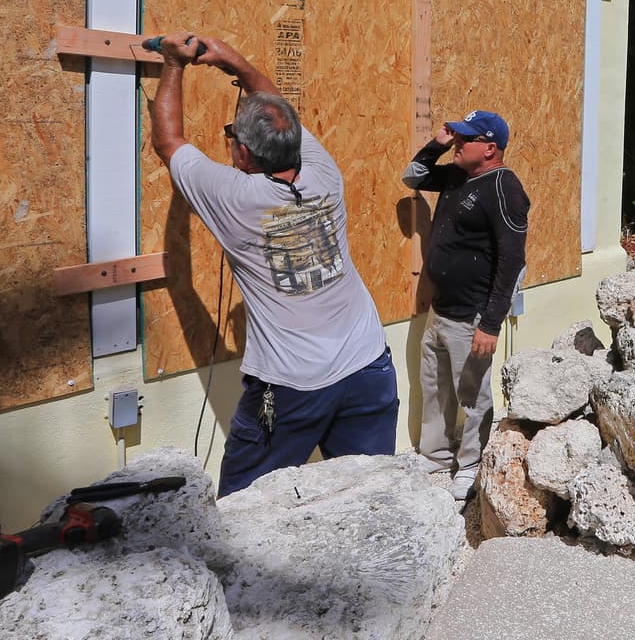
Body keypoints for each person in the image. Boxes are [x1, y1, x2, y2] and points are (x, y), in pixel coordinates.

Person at [148, 33, 398, 497]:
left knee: (244, 509)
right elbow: (275, 104)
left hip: (290, 388)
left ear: (242, 153)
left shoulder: (238, 198)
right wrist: (234, 62)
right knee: (371, 497)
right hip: (368, 366)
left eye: (230, 137)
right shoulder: (324, 173)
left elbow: (168, 142)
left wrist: (173, 63)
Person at [402, 110, 529, 500]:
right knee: (436, 387)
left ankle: (472, 465)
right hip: (440, 311)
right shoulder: (459, 175)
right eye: (458, 137)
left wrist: (491, 323)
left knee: (472, 396)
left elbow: (511, 261)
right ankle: (437, 455)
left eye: (466, 139)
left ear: (490, 149)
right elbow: (413, 177)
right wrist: (436, 144)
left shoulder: (505, 189)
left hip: (472, 316)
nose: (458, 143)